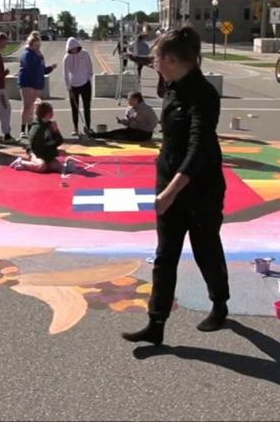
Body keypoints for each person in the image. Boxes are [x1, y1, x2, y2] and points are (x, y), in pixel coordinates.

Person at [122, 27, 228, 345]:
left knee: (205, 249)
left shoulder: (204, 95)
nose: (153, 63)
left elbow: (199, 148)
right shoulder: (171, 86)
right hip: (168, 181)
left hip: (200, 188)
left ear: (170, 60)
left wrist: (170, 192)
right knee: (165, 255)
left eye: (157, 58)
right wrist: (165, 187)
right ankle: (156, 324)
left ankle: (219, 304)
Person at [18, 33, 57, 139]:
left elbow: (42, 70)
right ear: (31, 45)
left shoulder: (39, 56)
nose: (38, 48)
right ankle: (23, 129)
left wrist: (51, 68)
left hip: (37, 83)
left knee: (32, 107)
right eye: (36, 45)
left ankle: (30, 129)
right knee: (27, 106)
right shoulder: (27, 54)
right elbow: (30, 67)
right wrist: (37, 58)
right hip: (27, 82)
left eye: (39, 45)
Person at [10, 100, 64, 173]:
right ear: (48, 114)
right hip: (36, 152)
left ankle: (30, 165)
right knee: (41, 166)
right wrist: (50, 156)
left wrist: (56, 130)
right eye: (51, 111)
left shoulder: (50, 124)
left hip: (46, 152)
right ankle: (21, 162)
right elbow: (36, 148)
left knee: (58, 166)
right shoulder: (37, 128)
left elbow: (59, 141)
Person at [90, 91, 158, 142]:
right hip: (132, 130)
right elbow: (128, 121)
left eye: (130, 100)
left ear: (136, 100)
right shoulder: (130, 108)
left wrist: (140, 127)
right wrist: (122, 121)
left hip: (144, 132)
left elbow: (154, 122)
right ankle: (93, 135)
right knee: (114, 132)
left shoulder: (146, 109)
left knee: (121, 137)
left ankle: (96, 135)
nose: (128, 102)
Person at [63, 37, 94, 136]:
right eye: (71, 49)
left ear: (78, 46)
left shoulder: (85, 54)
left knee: (87, 107)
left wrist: (89, 79)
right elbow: (65, 74)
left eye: (75, 48)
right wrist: (69, 88)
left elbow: (90, 67)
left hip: (85, 84)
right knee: (74, 108)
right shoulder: (67, 58)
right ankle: (75, 128)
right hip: (73, 86)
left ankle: (88, 127)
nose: (74, 50)